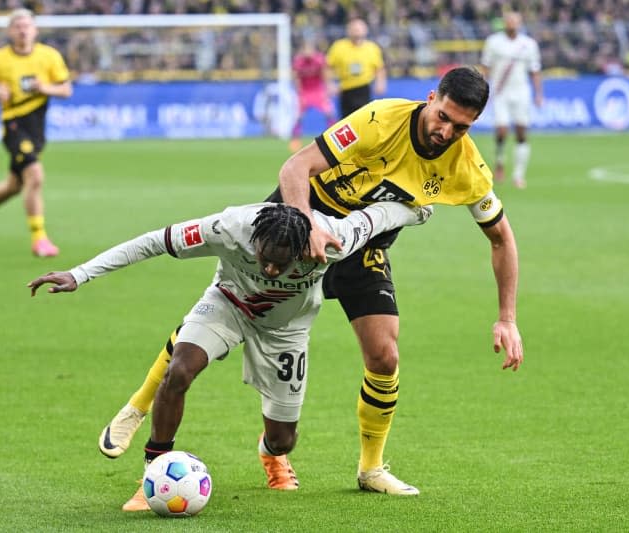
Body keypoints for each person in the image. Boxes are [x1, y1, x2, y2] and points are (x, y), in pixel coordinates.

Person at [97, 66, 524, 501]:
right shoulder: (380, 119)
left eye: (461, 127)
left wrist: (507, 318)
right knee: (222, 313)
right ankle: (138, 406)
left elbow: (501, 238)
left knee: (384, 355)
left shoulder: (467, 167)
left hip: (358, 243)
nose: (447, 131)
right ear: (431, 98)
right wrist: (307, 225)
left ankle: (369, 468)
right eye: (443, 117)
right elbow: (297, 166)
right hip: (291, 230)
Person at [28, 200, 433, 511]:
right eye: (265, 259)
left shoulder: (331, 238)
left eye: (282, 263)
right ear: (254, 241)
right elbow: (153, 241)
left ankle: (270, 454)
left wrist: (419, 212)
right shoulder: (227, 228)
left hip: (287, 332)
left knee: (284, 437)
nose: (272, 270)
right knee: (179, 371)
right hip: (228, 306)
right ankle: (154, 470)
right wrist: (80, 274)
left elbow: (379, 215)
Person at [0, 8, 72, 257]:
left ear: (35, 30)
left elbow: (66, 89)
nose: (23, 30)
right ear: (10, 31)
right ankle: (40, 239)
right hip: (13, 123)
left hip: (36, 126)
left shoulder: (49, 56)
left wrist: (44, 87)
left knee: (16, 185)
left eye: (27, 26)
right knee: (35, 176)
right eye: (18, 26)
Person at [480, 11, 543, 189]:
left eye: (515, 21)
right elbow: (485, 67)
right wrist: (482, 90)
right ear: (504, 23)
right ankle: (500, 160)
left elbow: (535, 71)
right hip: (500, 93)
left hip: (521, 93)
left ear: (520, 23)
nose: (512, 24)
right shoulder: (493, 42)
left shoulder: (529, 44)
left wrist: (539, 94)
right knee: (501, 130)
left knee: (522, 132)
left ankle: (518, 174)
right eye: (509, 21)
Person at [325, 17, 386, 118]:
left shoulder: (372, 48)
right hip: (345, 89)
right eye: (353, 28)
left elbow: (379, 68)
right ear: (348, 30)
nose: (356, 31)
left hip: (364, 88)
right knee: (346, 121)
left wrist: (380, 83)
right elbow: (328, 67)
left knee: (364, 120)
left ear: (365, 30)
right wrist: (330, 83)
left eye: (359, 28)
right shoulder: (339, 46)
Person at [288, 39, 336, 153]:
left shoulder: (319, 59)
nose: (307, 52)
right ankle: (295, 140)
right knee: (299, 116)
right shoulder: (298, 62)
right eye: (305, 50)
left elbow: (325, 73)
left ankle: (333, 138)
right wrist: (299, 93)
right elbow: (296, 78)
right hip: (305, 91)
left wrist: (328, 87)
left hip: (318, 90)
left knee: (329, 113)